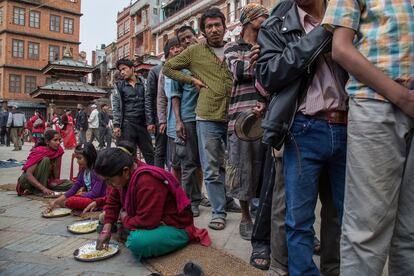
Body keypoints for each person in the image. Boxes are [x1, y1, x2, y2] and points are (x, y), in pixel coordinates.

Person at [256, 0, 348, 274]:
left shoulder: (347, 14)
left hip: (348, 127)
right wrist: (322, 34)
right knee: (298, 219)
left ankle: (335, 270)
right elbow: (269, 74)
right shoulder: (275, 24)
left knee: (341, 217)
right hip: (303, 129)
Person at [323, 1, 414, 275]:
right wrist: (403, 97)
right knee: (366, 232)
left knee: (411, 230)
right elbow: (340, 48)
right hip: (377, 101)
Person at [163, 8, 237, 231]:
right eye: (209, 26)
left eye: (217, 25)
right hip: (207, 116)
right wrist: (191, 79)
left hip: (234, 114)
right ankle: (218, 211)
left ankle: (229, 201)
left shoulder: (233, 47)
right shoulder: (195, 51)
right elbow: (168, 67)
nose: (214, 29)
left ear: (224, 26)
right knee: (211, 166)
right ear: (203, 31)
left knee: (233, 164)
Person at [94, 141, 211, 260]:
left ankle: (181, 237)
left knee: (137, 242)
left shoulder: (147, 181)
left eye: (109, 180)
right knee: (105, 218)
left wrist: (124, 218)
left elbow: (147, 222)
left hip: (174, 226)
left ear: (125, 171)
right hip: (149, 220)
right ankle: (127, 228)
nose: (108, 185)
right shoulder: (124, 176)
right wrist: (106, 229)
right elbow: (113, 202)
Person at [224, 3, 268, 241]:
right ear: (249, 20)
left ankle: (261, 213)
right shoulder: (233, 47)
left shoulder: (268, 45)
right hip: (241, 120)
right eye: (263, 16)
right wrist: (261, 62)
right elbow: (239, 71)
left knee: (264, 169)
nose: (267, 20)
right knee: (242, 169)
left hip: (266, 116)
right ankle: (245, 216)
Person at [171, 25, 205, 217]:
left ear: (196, 36)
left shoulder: (206, 57)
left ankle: (222, 199)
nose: (186, 41)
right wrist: (178, 121)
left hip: (210, 116)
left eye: (189, 37)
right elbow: (175, 96)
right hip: (189, 117)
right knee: (190, 162)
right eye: (182, 39)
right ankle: (191, 202)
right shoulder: (177, 64)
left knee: (213, 161)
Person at [112, 58, 154, 165]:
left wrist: (151, 122)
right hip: (127, 125)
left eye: (124, 69)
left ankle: (153, 178)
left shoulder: (144, 83)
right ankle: (133, 180)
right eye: (120, 70)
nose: (122, 72)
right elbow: (116, 106)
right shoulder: (119, 86)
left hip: (143, 124)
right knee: (129, 157)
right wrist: (116, 125)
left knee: (150, 154)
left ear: (132, 68)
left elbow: (149, 102)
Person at [48, 143, 106, 211]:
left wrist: (80, 195)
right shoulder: (83, 171)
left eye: (79, 158)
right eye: (77, 158)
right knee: (68, 200)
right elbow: (74, 188)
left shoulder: (97, 172)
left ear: (89, 157)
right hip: (89, 198)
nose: (77, 161)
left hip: (99, 200)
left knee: (71, 201)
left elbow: (95, 193)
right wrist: (56, 201)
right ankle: (61, 203)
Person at [16, 129, 72, 196]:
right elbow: (28, 174)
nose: (58, 143)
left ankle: (42, 189)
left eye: (59, 140)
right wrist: (43, 189)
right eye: (55, 140)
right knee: (46, 160)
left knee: (71, 184)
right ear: (47, 142)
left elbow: (56, 171)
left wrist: (56, 182)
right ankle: (38, 190)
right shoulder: (39, 151)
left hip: (46, 181)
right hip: (28, 181)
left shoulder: (58, 150)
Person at [157, 38, 183, 180]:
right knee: (174, 160)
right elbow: (161, 98)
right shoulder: (164, 71)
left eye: (178, 47)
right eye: (172, 48)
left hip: (190, 117)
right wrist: (162, 120)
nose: (176, 50)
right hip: (172, 120)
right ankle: (175, 191)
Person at [145, 61, 167, 168]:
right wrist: (150, 121)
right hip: (160, 115)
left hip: (176, 115)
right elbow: (149, 96)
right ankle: (158, 177)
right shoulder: (155, 71)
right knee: (160, 149)